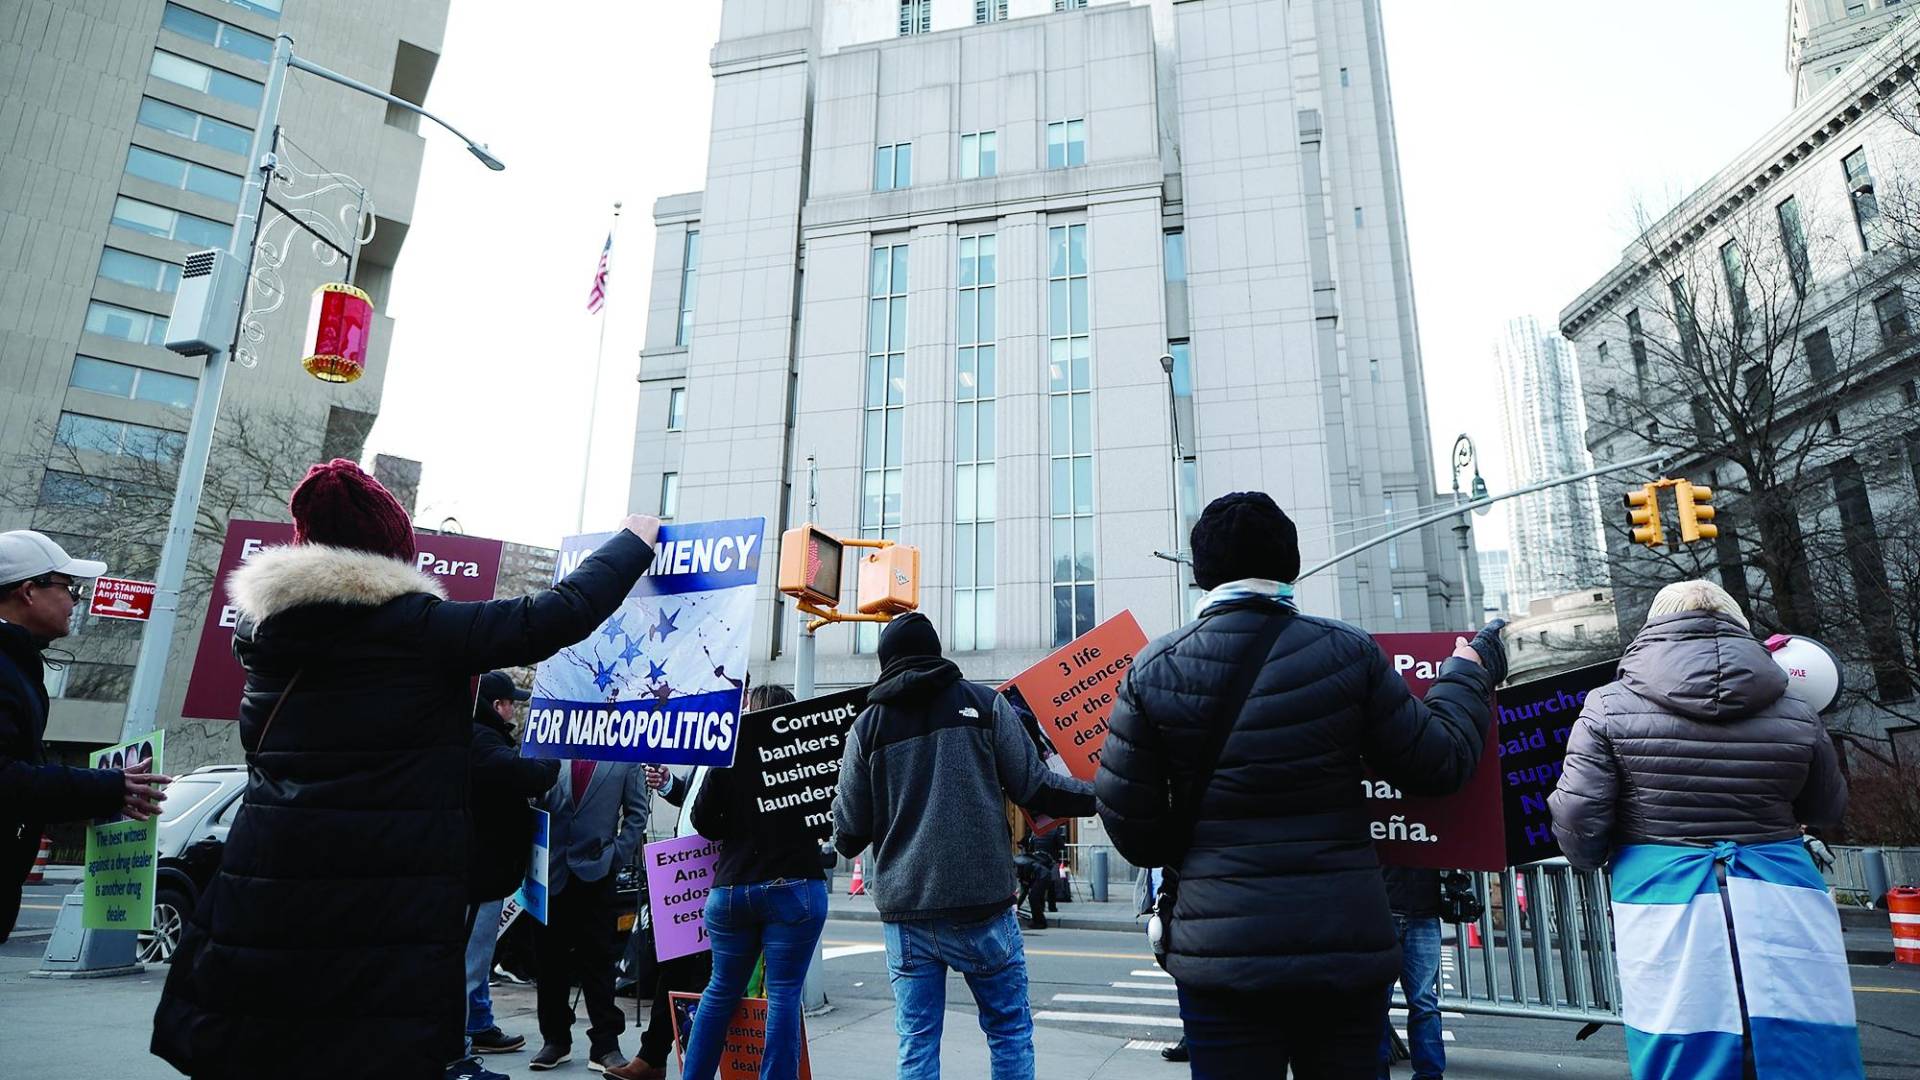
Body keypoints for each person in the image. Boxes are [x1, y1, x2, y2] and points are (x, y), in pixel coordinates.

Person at [150, 459, 661, 1080]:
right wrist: (632, 543)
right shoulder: (415, 629)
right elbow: (550, 616)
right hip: (379, 888)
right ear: (393, 552)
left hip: (268, 880)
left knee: (277, 1042)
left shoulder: (266, 642)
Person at [1094, 491, 1502, 1080]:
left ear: (1201, 572)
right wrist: (1464, 675)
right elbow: (1439, 763)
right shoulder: (1349, 652)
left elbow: (1136, 833)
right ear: (1291, 564)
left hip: (1220, 953)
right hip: (1343, 945)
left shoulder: (1154, 669)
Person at [1547, 580, 1860, 1080]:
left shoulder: (1606, 706)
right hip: (1782, 890)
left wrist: (1594, 854)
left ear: (1654, 628)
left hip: (1662, 894)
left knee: (1681, 1045)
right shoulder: (1797, 708)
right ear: (1738, 627)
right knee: (1802, 1047)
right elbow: (1826, 808)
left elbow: (1579, 821)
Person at [833, 612, 1097, 1080]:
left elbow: (850, 833)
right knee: (1008, 1031)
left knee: (917, 1042)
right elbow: (1036, 788)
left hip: (907, 909)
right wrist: (1106, 794)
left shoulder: (867, 728)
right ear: (936, 652)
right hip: (982, 903)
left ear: (885, 661)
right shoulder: (984, 704)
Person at [636, 683, 828, 1080]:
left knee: (719, 990)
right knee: (784, 995)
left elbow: (703, 820)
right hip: (793, 885)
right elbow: (828, 817)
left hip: (732, 888)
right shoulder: (803, 755)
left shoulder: (730, 754)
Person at [1, 530, 171, 943]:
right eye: (68, 587)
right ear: (28, 591)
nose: (75, 600)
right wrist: (110, 786)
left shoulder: (16, 662)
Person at [529, 752, 652, 1072]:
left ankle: (605, 1044)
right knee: (549, 960)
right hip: (551, 870)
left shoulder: (625, 758)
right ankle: (555, 1039)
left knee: (599, 960)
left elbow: (637, 813)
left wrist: (616, 856)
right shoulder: (551, 746)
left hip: (598, 872)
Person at [463, 670, 562, 1064]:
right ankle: (457, 1049)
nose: (513, 712)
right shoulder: (481, 741)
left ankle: (477, 1025)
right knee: (470, 963)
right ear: (496, 705)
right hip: (480, 875)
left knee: (478, 958)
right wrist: (552, 751)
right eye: (510, 704)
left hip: (485, 872)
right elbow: (530, 774)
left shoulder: (481, 738)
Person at [607, 761, 716, 1079]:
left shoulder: (735, 749)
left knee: (704, 978)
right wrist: (670, 785)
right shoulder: (707, 754)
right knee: (673, 970)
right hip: (689, 876)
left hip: (714, 873)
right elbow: (695, 800)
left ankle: (691, 1060)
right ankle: (652, 1057)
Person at [1376, 868, 1445, 1080]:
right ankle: (1428, 1073)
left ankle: (1428, 1074)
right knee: (1422, 1002)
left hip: (1405, 909)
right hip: (1400, 910)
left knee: (1419, 1002)